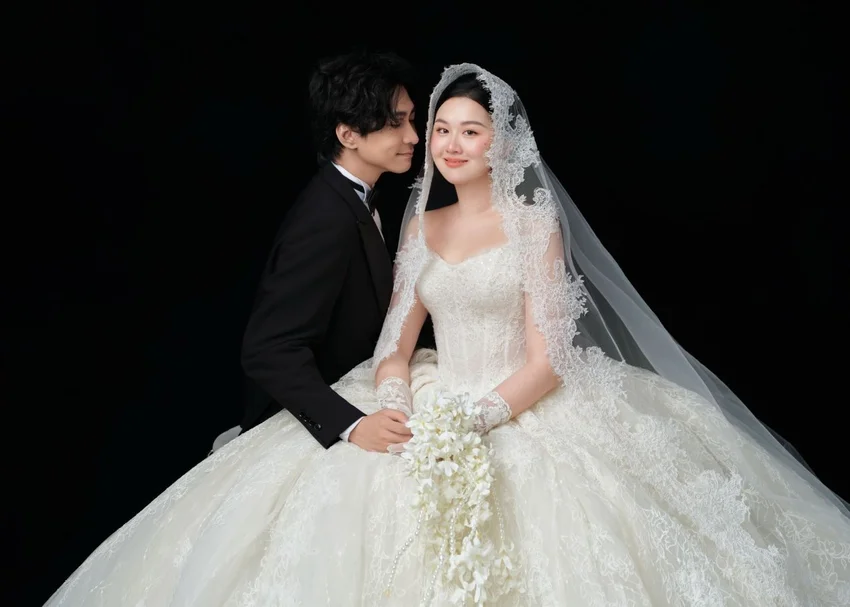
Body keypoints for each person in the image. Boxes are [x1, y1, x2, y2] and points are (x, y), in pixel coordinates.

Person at [45, 64, 850, 606]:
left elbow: (549, 357)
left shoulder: (533, 225)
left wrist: (476, 416)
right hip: (428, 395)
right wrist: (395, 393)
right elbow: (395, 340)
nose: (449, 144)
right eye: (439, 129)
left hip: (518, 400)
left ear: (502, 142)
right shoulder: (417, 224)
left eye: (470, 130)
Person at [211, 49, 421, 454]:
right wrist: (352, 426)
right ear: (348, 135)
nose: (412, 136)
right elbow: (268, 350)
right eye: (396, 123)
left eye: (411, 119)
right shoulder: (325, 218)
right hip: (314, 418)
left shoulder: (354, 198)